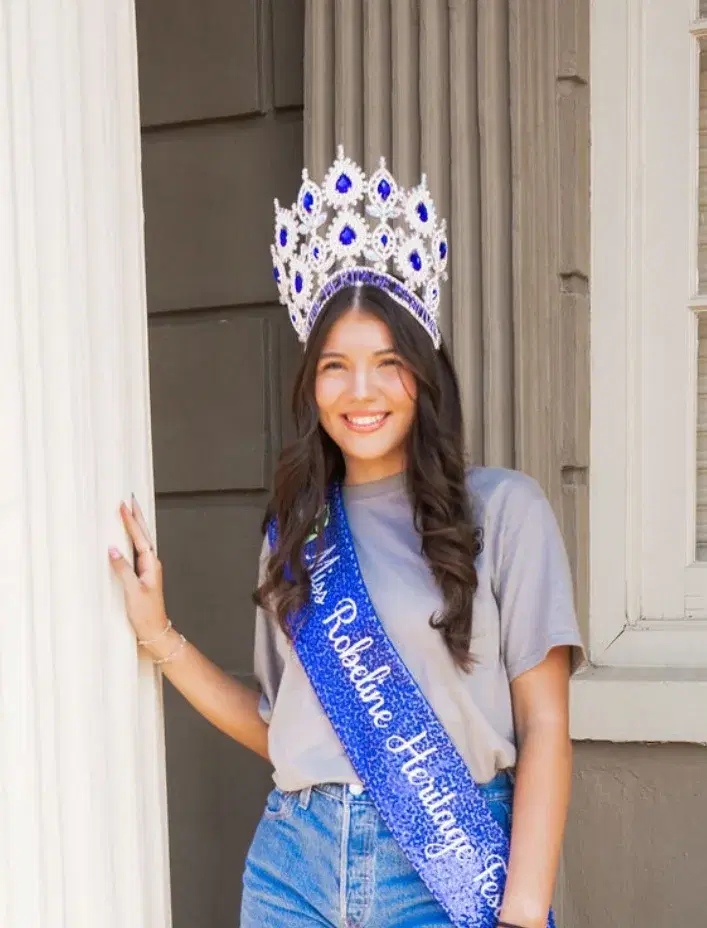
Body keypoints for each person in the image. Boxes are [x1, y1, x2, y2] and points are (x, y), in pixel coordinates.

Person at [109, 149, 583, 928]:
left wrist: (522, 912)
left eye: (387, 363)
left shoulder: (503, 512)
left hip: (442, 876)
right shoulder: (296, 530)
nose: (360, 391)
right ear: (312, 383)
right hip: (291, 873)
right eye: (335, 366)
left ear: (422, 375)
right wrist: (158, 635)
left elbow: (545, 729)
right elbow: (281, 728)